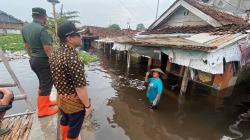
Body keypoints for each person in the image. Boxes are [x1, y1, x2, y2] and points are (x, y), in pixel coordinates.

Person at [50, 21, 93, 140]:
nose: (81, 36)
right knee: (74, 130)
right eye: (78, 34)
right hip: (73, 104)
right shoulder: (73, 59)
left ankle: (64, 137)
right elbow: (80, 88)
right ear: (70, 38)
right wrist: (88, 106)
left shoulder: (55, 53)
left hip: (61, 98)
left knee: (65, 120)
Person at [21, 7, 58, 117]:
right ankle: (42, 110)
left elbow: (26, 46)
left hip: (33, 60)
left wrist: (31, 56)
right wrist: (55, 63)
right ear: (43, 16)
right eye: (46, 16)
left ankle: (46, 103)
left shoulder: (25, 28)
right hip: (43, 61)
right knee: (46, 84)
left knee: (43, 83)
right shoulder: (42, 29)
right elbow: (48, 49)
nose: (46, 18)